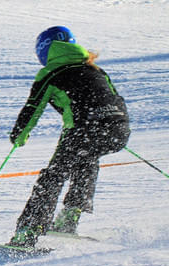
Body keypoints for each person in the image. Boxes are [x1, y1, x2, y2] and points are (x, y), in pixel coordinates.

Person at [8, 26, 130, 247]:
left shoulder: (52, 72)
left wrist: (19, 135)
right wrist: (112, 126)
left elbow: (33, 107)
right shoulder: (95, 69)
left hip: (85, 131)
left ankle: (29, 231)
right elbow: (113, 97)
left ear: (44, 49)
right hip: (118, 129)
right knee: (87, 160)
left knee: (53, 175)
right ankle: (69, 218)